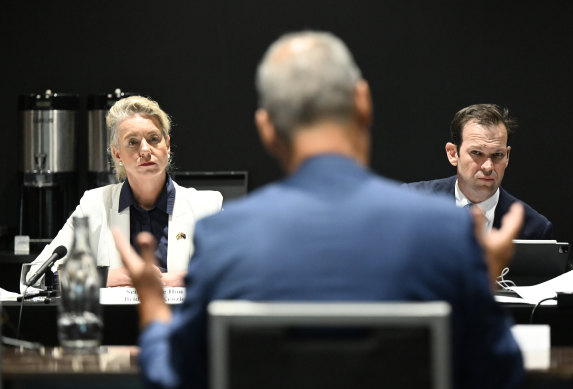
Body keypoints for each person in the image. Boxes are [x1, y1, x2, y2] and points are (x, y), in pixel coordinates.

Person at [114, 32, 525, 389]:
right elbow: (497, 374)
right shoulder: (446, 233)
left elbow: (172, 378)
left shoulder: (224, 237)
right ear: (363, 103)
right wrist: (482, 283)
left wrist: (151, 301)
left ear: (267, 128)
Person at [28, 95, 223, 287]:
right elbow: (34, 277)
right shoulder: (94, 204)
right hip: (115, 319)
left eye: (154, 139)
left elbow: (234, 273)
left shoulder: (205, 206)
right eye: (133, 142)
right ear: (117, 154)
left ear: (168, 145)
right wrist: (105, 277)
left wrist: (187, 279)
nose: (145, 150)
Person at [404, 104, 553, 239]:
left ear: (507, 156)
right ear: (453, 153)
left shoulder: (534, 229)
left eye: (497, 155)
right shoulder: (410, 203)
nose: (488, 167)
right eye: (476, 153)